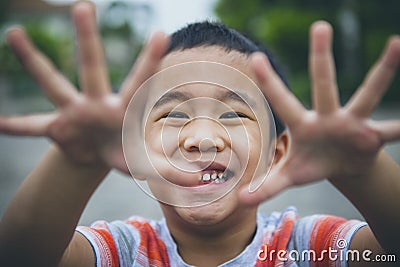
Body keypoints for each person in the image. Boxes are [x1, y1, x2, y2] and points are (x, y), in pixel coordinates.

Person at [0, 1, 399, 266]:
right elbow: (22, 255)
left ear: (277, 154)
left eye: (231, 115)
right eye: (174, 115)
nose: (202, 139)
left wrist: (360, 172)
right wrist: (78, 161)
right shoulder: (121, 250)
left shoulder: (311, 247)